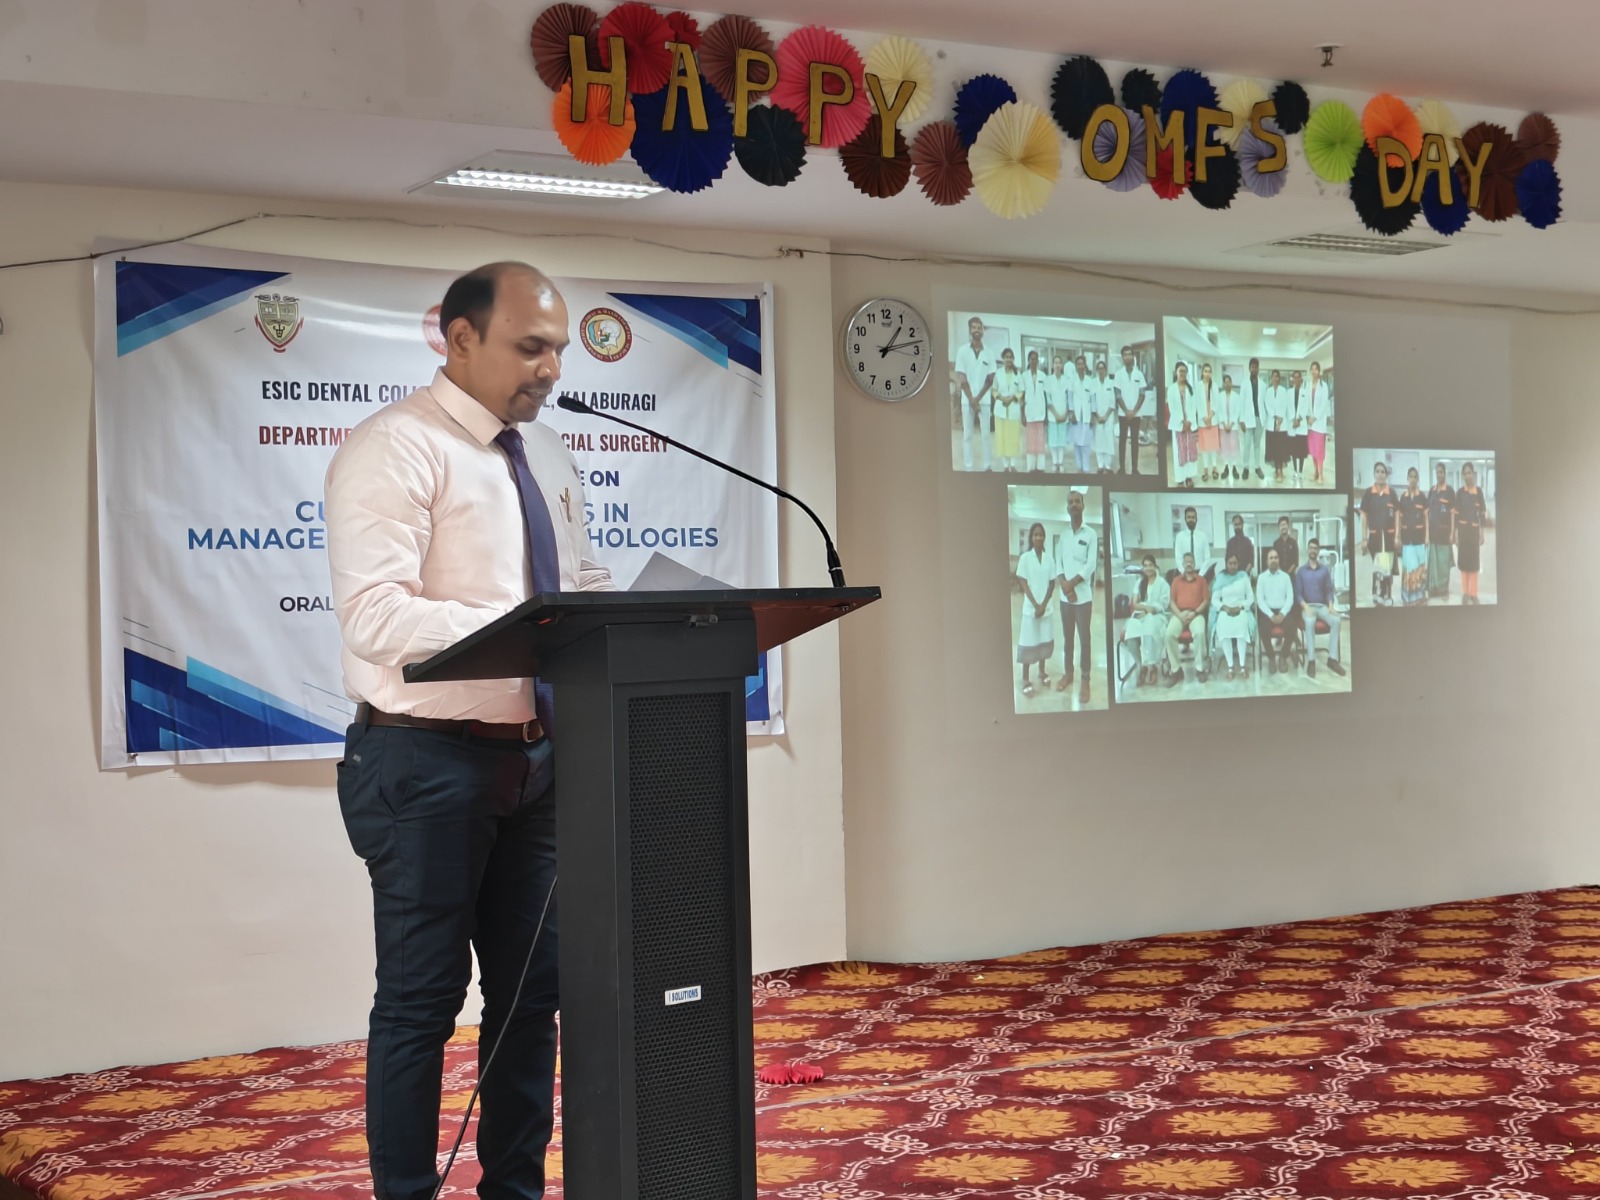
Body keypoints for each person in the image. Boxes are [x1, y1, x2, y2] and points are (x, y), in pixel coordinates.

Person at [325, 262, 614, 1200]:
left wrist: (612, 613)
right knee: (421, 1001)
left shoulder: (549, 456)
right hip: (423, 764)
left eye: (558, 350)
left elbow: (579, 584)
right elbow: (376, 616)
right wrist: (525, 627)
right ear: (458, 339)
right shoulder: (396, 448)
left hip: (539, 764)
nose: (551, 369)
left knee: (533, 994)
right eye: (530, 348)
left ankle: (514, 1192)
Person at [1055, 488, 1099, 702]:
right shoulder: (1063, 537)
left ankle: (1085, 681)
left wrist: (1071, 585)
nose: (1074, 505)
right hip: (1065, 599)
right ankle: (1068, 674)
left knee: (1085, 640)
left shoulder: (1091, 534)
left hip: (1083, 599)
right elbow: (1059, 564)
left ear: (1083, 505)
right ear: (1067, 507)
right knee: (1068, 639)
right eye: (1070, 502)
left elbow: (1090, 565)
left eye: (1077, 501)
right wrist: (1065, 586)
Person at [1014, 521, 1057, 695]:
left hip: (1046, 609)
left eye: (1041, 534)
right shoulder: (1025, 558)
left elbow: (1052, 583)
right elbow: (1023, 582)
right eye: (1035, 534)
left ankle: (1042, 671)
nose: (1038, 537)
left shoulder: (1049, 559)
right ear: (1031, 538)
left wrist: (1043, 605)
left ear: (1044, 537)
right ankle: (1025, 678)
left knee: (1044, 639)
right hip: (1030, 609)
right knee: (1029, 640)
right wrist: (1035, 605)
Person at [1294, 538, 1346, 678]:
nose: (1313, 550)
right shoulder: (1301, 571)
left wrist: (1331, 605)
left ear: (1318, 551)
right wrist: (1305, 606)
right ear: (1307, 550)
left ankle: (1332, 659)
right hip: (1307, 606)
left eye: (1315, 548)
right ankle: (1311, 661)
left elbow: (1329, 589)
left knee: (1336, 620)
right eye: (1311, 548)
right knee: (1310, 621)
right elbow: (1298, 593)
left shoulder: (1324, 570)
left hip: (1322, 606)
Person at [954, 316, 995, 473]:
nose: (977, 330)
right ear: (970, 330)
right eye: (974, 327)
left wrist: (977, 399)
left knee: (986, 435)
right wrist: (971, 399)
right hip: (967, 400)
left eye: (979, 327)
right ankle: (969, 467)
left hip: (984, 400)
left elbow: (990, 379)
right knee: (967, 435)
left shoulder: (989, 353)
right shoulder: (962, 351)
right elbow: (962, 376)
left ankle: (987, 466)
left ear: (982, 331)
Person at [1124, 553, 1170, 687]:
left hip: (1157, 615)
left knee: (1149, 629)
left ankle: (1153, 666)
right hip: (1140, 614)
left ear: (1155, 566)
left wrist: (1149, 610)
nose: (1148, 568)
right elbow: (1134, 603)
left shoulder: (1162, 583)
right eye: (1145, 566)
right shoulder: (1139, 583)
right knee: (1130, 632)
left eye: (1150, 565)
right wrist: (1145, 609)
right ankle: (1141, 665)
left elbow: (1163, 604)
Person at [1165, 553, 1210, 686]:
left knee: (1200, 633)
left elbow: (1206, 600)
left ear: (1194, 564)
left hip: (1196, 614)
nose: (1189, 564)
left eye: (1191, 562)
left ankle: (1200, 669)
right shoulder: (1176, 581)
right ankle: (1176, 670)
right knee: (1169, 634)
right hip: (1179, 614)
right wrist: (1179, 614)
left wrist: (1195, 613)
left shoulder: (1201, 580)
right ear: (1183, 564)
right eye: (1186, 562)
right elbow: (1172, 602)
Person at [1358, 461, 1398, 606]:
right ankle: (1377, 596)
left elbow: (1397, 515)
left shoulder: (1392, 493)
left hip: (1389, 537)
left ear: (1386, 475)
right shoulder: (1369, 493)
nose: (1380, 474)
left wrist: (1397, 536)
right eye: (1378, 471)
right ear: (1374, 474)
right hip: (1375, 537)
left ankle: (1387, 596)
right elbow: (1364, 516)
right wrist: (1364, 539)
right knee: (1378, 567)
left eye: (1383, 472)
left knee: (1388, 568)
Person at [1212, 551, 1255, 680]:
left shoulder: (1244, 577)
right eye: (1230, 563)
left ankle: (1242, 665)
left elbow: (1250, 598)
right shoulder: (1221, 578)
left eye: (1235, 563)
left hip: (1241, 608)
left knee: (1241, 629)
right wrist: (1224, 607)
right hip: (1225, 610)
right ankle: (1230, 666)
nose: (1232, 566)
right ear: (1226, 564)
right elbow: (1214, 600)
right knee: (1224, 630)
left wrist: (1241, 606)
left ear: (1238, 564)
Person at [1255, 547, 1298, 674]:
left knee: (1292, 628)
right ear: (1267, 561)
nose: (1273, 560)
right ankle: (1271, 657)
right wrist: (1270, 615)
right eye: (1271, 558)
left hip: (1283, 611)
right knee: (1263, 629)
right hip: (1268, 612)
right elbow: (1260, 600)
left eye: (1276, 557)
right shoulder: (1261, 578)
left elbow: (1290, 598)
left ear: (1279, 560)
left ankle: (1283, 656)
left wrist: (1283, 614)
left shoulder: (1286, 577)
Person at [1113, 344, 1149, 475]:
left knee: (1135, 442)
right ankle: (1122, 468)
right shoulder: (1118, 374)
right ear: (1122, 357)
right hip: (1123, 414)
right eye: (1125, 355)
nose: (1127, 357)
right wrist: (1126, 411)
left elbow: (1142, 394)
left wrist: (1133, 411)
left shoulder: (1139, 375)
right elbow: (1117, 395)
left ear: (1133, 356)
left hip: (1136, 415)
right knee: (1122, 441)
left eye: (1129, 354)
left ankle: (1135, 469)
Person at [1455, 462, 1487, 604]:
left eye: (1469, 473)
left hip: (1474, 533)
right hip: (1463, 533)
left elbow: (1482, 515)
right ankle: (1465, 593)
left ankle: (1473, 594)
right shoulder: (1459, 493)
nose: (1468, 475)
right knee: (1463, 563)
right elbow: (1456, 515)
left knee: (1474, 563)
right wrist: (1455, 533)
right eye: (1465, 473)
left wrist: (1482, 533)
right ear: (1463, 476)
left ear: (1473, 474)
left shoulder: (1479, 492)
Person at [1397, 466, 1429, 605]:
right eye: (1411, 476)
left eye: (1415, 477)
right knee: (1410, 568)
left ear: (1418, 479)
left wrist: (1427, 536)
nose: (1413, 479)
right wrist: (1398, 536)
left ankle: (1420, 596)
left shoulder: (1422, 497)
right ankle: (1408, 597)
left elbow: (1426, 518)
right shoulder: (1403, 498)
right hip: (1407, 539)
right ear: (1407, 478)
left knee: (1420, 568)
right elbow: (1399, 519)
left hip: (1420, 538)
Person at [1427, 460, 1456, 599]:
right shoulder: (1432, 491)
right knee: (1434, 563)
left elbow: (1452, 513)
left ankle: (1444, 590)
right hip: (1433, 533)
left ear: (1445, 473)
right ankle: (1434, 589)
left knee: (1443, 564)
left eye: (1441, 472)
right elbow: (1427, 512)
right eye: (1437, 472)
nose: (1439, 475)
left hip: (1444, 534)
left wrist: (1452, 533)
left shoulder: (1449, 491)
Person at [992, 347, 1024, 472]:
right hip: (1000, 411)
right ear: (1003, 359)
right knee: (1002, 438)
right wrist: (1001, 398)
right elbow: (994, 390)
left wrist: (1012, 398)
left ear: (1013, 359)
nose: (1009, 359)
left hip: (1013, 410)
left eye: (1011, 357)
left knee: (1013, 438)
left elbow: (1021, 391)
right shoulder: (998, 374)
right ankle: (1005, 466)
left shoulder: (1017, 374)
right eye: (1006, 357)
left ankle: (1013, 464)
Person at [1168, 359, 1198, 487]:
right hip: (1178, 425)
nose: (1183, 374)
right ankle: (1180, 478)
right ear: (1176, 372)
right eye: (1180, 371)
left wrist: (1189, 421)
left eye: (1185, 371)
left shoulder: (1190, 389)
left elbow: (1193, 406)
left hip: (1190, 426)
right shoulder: (1171, 389)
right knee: (1179, 453)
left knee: (1190, 451)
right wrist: (1182, 421)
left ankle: (1189, 477)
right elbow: (1172, 408)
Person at [1220, 371, 1253, 482]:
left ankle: (1234, 468)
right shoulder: (1220, 396)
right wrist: (1224, 423)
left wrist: (1231, 423)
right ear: (1223, 384)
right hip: (1223, 426)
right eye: (1225, 382)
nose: (1227, 384)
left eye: (1229, 382)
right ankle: (1226, 468)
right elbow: (1219, 411)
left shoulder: (1237, 397)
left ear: (1232, 383)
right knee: (1225, 447)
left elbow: (1237, 411)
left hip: (1233, 427)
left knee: (1233, 446)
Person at [1022, 349, 1050, 473]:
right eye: (1031, 359)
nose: (1033, 361)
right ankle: (1031, 467)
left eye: (1035, 359)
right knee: (1030, 442)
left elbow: (1046, 396)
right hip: (1029, 413)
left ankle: (1040, 467)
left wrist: (1046, 415)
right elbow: (1022, 396)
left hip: (1040, 414)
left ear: (1038, 361)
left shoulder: (1043, 376)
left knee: (1040, 442)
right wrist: (1022, 414)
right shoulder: (1024, 376)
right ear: (1029, 361)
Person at [1305, 361, 1332, 485]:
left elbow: (1324, 405)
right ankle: (1315, 472)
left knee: (1319, 451)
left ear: (1319, 371)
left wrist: (1315, 417)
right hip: (1310, 425)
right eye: (1312, 369)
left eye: (1316, 369)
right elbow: (1306, 403)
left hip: (1319, 424)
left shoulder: (1324, 386)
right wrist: (1307, 417)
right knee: (1313, 450)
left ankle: (1321, 475)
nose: (1314, 371)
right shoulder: (1308, 385)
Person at [1090, 356, 1118, 473]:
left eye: (1103, 368)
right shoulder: (1093, 383)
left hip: (1108, 417)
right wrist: (1097, 416)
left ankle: (1108, 466)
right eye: (1099, 368)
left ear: (1106, 370)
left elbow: (1112, 402)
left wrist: (1106, 416)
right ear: (1097, 370)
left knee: (1108, 441)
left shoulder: (1110, 383)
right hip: (1098, 418)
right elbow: (1092, 401)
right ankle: (1100, 466)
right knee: (1099, 441)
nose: (1101, 371)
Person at [1264, 369, 1291, 482]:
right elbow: (1267, 405)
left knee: (1281, 449)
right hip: (1271, 424)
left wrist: (1279, 420)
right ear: (1271, 379)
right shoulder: (1268, 391)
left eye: (1277, 376)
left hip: (1282, 424)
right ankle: (1276, 470)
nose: (1275, 378)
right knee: (1273, 449)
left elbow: (1285, 405)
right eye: (1273, 376)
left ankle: (1280, 471)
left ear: (1279, 378)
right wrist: (1275, 417)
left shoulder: (1283, 391)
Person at [1046, 354, 1072, 473]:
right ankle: (1054, 462)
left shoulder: (1066, 380)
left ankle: (1060, 463)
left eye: (1059, 363)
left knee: (1061, 441)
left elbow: (1069, 399)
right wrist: (1056, 415)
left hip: (1064, 415)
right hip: (1053, 416)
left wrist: (1065, 414)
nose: (1057, 365)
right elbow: (1048, 399)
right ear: (1053, 365)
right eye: (1055, 363)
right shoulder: (1048, 380)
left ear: (1062, 365)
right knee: (1053, 441)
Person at [1196, 362, 1221, 483]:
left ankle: (1214, 468)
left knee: (1213, 446)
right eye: (1205, 371)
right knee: (1205, 447)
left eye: (1209, 372)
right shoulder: (1198, 386)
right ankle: (1205, 469)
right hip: (1202, 421)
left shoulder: (1214, 386)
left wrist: (1210, 416)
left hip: (1213, 419)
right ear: (1202, 373)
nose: (1207, 373)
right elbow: (1197, 404)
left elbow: (1216, 403)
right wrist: (1204, 417)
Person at [1070, 353, 1094, 473]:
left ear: (1085, 365)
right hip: (1076, 416)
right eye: (1078, 364)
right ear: (1076, 366)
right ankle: (1079, 467)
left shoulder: (1090, 381)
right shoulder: (1072, 380)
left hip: (1087, 416)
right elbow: (1069, 397)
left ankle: (1086, 468)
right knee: (1077, 443)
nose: (1080, 366)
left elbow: (1093, 399)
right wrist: (1072, 412)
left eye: (1082, 364)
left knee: (1086, 443)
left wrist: (1093, 415)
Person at [1173, 505, 1211, 580]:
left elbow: (1207, 558)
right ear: (1185, 519)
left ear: (1196, 519)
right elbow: (1178, 558)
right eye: (1189, 517)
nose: (1191, 519)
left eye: (1193, 517)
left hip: (1200, 573)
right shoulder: (1179, 537)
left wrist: (1200, 575)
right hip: (1184, 574)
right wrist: (1184, 573)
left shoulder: (1203, 536)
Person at [1244, 357, 1266, 480]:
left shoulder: (1262, 384)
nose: (1254, 369)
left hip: (1259, 419)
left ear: (1258, 369)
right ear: (1249, 368)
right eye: (1252, 367)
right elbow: (1241, 402)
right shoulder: (1244, 383)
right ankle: (1246, 467)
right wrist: (1241, 420)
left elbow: (1264, 402)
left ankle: (1257, 467)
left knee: (1257, 445)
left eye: (1256, 367)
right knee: (1247, 445)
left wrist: (1264, 418)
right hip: (1248, 419)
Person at [1225, 513, 1255, 577]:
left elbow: (1251, 562)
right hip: (1232, 576)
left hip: (1245, 575)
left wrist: (1244, 574)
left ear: (1242, 524)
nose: (1237, 527)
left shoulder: (1248, 542)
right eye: (1235, 525)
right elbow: (1227, 561)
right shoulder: (1230, 543)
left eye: (1239, 524)